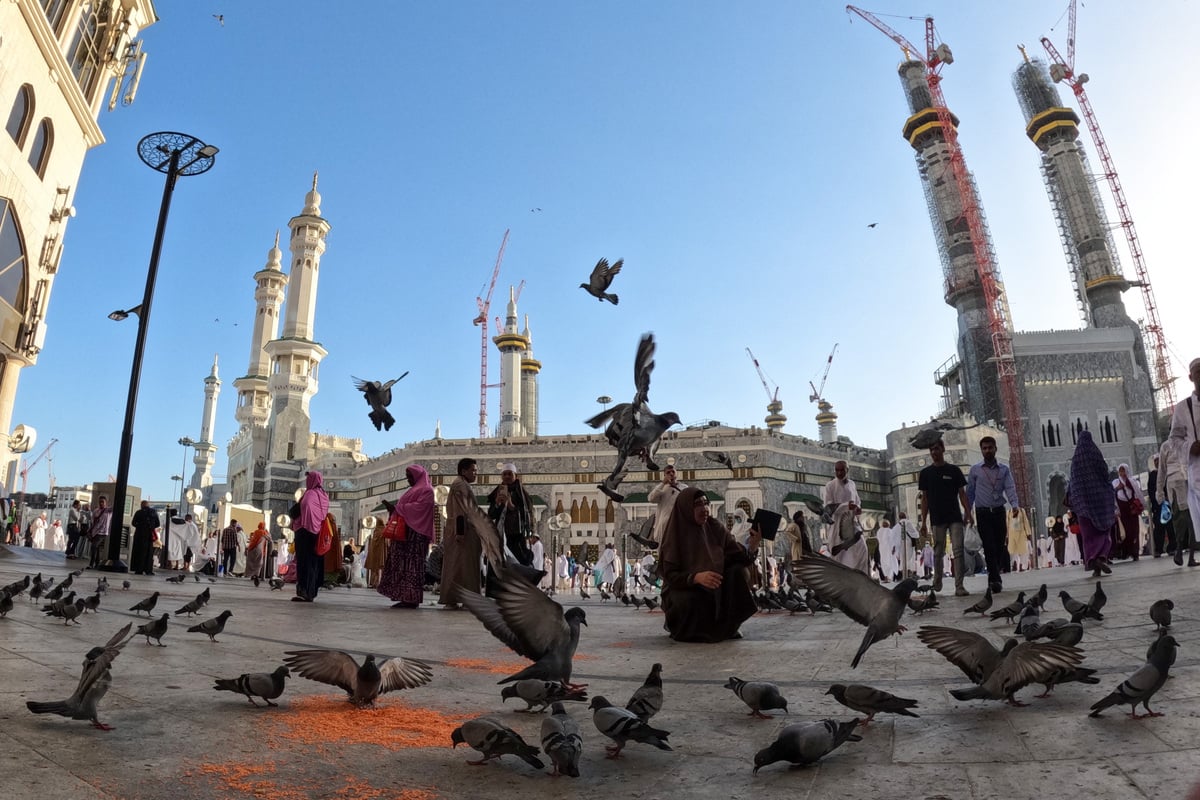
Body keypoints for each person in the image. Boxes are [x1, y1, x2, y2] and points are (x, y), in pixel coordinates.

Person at [657, 487, 759, 643]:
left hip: (714, 585)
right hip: (685, 587)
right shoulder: (676, 534)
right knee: (689, 600)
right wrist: (695, 577)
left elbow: (738, 557)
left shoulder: (714, 527)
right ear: (685, 508)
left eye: (705, 503)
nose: (704, 509)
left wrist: (753, 546)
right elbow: (670, 575)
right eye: (697, 504)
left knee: (739, 572)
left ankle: (730, 626)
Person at [918, 438, 974, 596]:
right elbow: (925, 499)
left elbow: (962, 494)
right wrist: (923, 522)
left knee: (958, 550)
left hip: (955, 516)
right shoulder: (926, 474)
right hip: (937, 519)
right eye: (932, 450)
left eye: (936, 449)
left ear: (943, 449)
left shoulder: (954, 471)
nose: (934, 452)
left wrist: (969, 513)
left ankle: (959, 586)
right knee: (938, 551)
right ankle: (937, 582)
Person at [966, 436, 1019, 593]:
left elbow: (1010, 487)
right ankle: (995, 579)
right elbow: (970, 492)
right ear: (981, 450)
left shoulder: (1003, 470)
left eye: (990, 447)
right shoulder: (975, 470)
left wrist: (1014, 504)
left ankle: (993, 576)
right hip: (983, 513)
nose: (987, 450)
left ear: (995, 448)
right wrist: (967, 512)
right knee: (989, 546)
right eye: (985, 448)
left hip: (998, 512)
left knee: (998, 546)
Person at [378, 464, 435, 608]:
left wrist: (397, 508)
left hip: (416, 536)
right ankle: (404, 597)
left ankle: (411, 598)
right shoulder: (413, 491)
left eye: (411, 477)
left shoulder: (427, 490)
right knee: (402, 566)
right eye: (407, 477)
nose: (409, 480)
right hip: (406, 534)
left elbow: (420, 508)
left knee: (412, 567)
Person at [1066, 430, 1116, 578]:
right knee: (1102, 530)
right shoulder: (1096, 454)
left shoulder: (1076, 460)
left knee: (1088, 535)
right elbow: (1104, 473)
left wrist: (1074, 500)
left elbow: (1073, 482)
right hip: (1099, 501)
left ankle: (1092, 559)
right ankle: (1101, 557)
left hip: (1083, 504)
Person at [439, 458, 482, 609]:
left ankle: (458, 598)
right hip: (462, 532)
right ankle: (457, 599)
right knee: (462, 567)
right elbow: (460, 511)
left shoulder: (462, 484)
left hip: (461, 531)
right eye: (473, 470)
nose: (476, 473)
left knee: (459, 567)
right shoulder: (461, 486)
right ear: (464, 471)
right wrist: (461, 532)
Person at [1158, 430, 1196, 567]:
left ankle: (1185, 553)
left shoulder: (1171, 445)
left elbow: (1161, 471)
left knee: (1185, 521)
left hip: (1181, 484)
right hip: (1180, 484)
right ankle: (1182, 552)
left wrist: (1160, 491)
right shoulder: (1179, 445)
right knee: (1187, 520)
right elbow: (1162, 470)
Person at [290, 470, 330, 602]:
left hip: (305, 532)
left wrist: (305, 522)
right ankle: (311, 591)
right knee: (314, 564)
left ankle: (304, 591)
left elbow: (306, 506)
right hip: (318, 533)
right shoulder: (324, 495)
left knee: (304, 562)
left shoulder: (310, 494)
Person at [488, 463, 534, 567]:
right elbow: (491, 515)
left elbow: (527, 514)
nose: (507, 477)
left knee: (518, 562)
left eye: (510, 474)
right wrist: (496, 504)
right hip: (500, 534)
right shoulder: (497, 492)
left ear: (515, 476)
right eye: (504, 474)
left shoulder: (521, 494)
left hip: (516, 536)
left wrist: (511, 506)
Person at [1112, 463, 1146, 560]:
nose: (1122, 473)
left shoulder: (1132, 481)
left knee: (1134, 530)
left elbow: (1138, 493)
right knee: (1124, 532)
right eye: (1120, 471)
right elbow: (1112, 495)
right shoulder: (1115, 482)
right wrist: (1118, 488)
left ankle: (1135, 552)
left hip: (1132, 509)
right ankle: (1125, 552)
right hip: (1122, 510)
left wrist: (1142, 505)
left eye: (1124, 471)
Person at [647, 465, 687, 542]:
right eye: (668, 472)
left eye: (673, 471)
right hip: (664, 525)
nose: (671, 474)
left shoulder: (684, 488)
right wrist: (663, 484)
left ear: (676, 473)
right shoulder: (662, 489)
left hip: (679, 524)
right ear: (664, 475)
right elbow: (651, 498)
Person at [1146, 454, 1174, 558]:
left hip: (1168, 504)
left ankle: (1172, 548)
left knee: (1170, 527)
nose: (1157, 463)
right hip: (1158, 506)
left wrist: (1168, 497)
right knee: (1159, 528)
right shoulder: (1153, 475)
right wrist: (1158, 500)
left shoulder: (1167, 473)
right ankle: (1158, 549)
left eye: (1159, 460)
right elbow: (1151, 490)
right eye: (1156, 461)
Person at [129, 501, 160, 575]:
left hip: (140, 535)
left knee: (139, 552)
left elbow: (133, 523)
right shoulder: (153, 512)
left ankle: (138, 569)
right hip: (149, 535)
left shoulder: (139, 512)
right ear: (148, 505)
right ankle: (148, 569)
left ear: (141, 505)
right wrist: (151, 527)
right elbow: (157, 523)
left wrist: (140, 526)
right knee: (149, 553)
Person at [88, 496, 112, 569]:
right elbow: (92, 521)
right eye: (100, 502)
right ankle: (97, 563)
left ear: (106, 503)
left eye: (103, 502)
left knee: (94, 546)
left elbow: (114, 507)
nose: (101, 503)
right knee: (97, 548)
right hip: (95, 532)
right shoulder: (96, 511)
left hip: (102, 532)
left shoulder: (108, 511)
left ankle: (91, 563)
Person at [364, 516, 388, 588]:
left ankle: (374, 583)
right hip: (381, 553)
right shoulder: (384, 530)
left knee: (374, 569)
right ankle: (380, 582)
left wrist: (370, 540)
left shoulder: (377, 530)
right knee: (380, 569)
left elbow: (374, 541)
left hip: (375, 553)